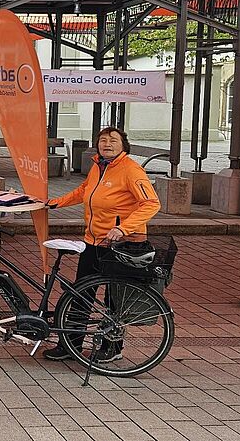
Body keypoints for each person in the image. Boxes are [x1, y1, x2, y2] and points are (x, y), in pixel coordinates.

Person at [42, 126, 160, 363]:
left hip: (121, 244)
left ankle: (112, 347)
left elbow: (150, 203)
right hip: (93, 241)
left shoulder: (131, 170)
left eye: (113, 140)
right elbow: (84, 191)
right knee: (81, 293)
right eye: (103, 140)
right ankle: (70, 344)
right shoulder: (98, 166)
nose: (107, 144)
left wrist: (122, 228)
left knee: (112, 299)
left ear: (123, 145)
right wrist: (56, 202)